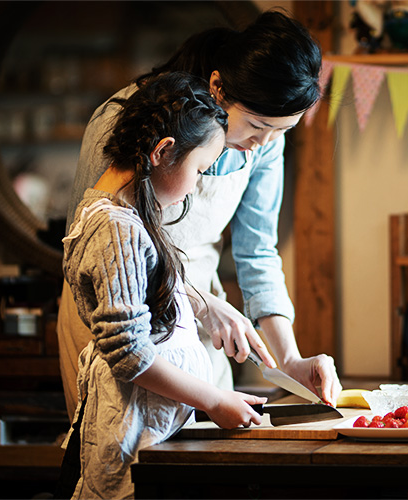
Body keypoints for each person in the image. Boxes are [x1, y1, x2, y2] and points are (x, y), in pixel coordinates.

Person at [57, 10, 342, 420]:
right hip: (115, 317)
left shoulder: (264, 143)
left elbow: (258, 252)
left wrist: (290, 360)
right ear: (217, 87)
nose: (264, 144)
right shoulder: (127, 118)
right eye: (258, 125)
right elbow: (89, 240)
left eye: (281, 132)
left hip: (196, 324)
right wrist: (201, 302)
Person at [57, 72, 266, 500]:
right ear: (163, 151)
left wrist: (206, 305)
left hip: (151, 431)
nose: (195, 186)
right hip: (132, 439)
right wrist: (213, 399)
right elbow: (130, 353)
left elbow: (139, 284)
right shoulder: (117, 228)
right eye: (200, 169)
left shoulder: (114, 213)